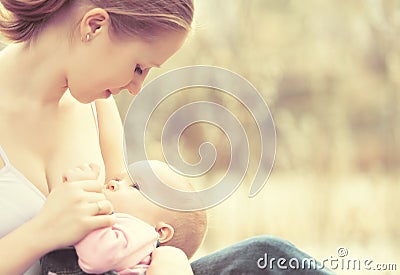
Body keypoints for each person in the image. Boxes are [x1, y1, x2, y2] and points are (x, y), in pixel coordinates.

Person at [0, 0, 334, 274]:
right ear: (94, 26)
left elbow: (132, 222)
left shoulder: (96, 109)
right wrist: (41, 232)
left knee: (268, 258)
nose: (136, 87)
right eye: (138, 67)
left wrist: (167, 258)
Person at [44, 160, 207, 275]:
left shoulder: (142, 232)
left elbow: (98, 256)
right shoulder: (116, 225)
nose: (113, 184)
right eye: (118, 179)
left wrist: (88, 203)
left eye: (135, 186)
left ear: (160, 232)